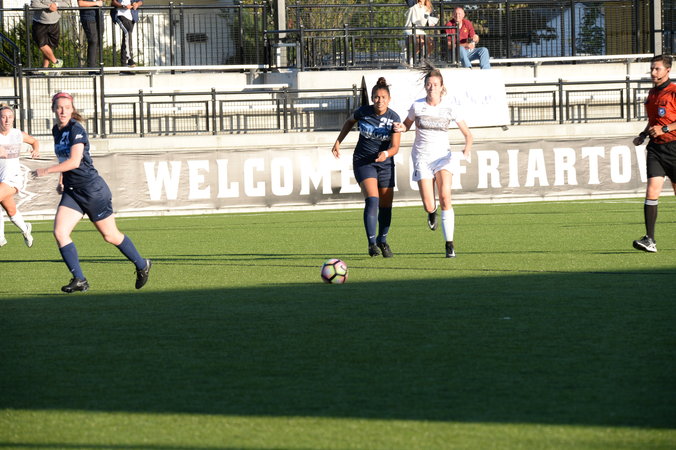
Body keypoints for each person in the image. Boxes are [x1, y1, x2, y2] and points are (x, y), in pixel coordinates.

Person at [32, 92, 152, 293]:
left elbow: (74, 161)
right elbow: (64, 159)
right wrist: (61, 180)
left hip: (91, 190)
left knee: (110, 236)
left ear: (72, 109)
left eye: (66, 107)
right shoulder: (56, 130)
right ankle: (79, 279)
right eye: (59, 107)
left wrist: (46, 171)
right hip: (72, 191)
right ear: (53, 109)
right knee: (60, 232)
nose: (62, 111)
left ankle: (142, 264)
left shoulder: (76, 129)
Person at [394, 64, 473, 258]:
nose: (431, 87)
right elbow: (406, 125)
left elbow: (468, 134)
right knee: (429, 204)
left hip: (443, 158)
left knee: (445, 196)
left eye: (435, 84)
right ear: (425, 86)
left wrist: (467, 148)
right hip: (422, 158)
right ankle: (431, 212)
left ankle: (449, 244)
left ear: (441, 87)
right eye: (429, 84)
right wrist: (400, 128)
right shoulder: (417, 106)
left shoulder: (450, 107)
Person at [332, 77, 401, 257]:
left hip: (385, 163)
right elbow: (349, 121)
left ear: (389, 99)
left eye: (383, 97)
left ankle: (382, 240)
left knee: (386, 206)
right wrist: (338, 141)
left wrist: (385, 154)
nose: (380, 101)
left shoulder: (394, 118)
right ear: (372, 98)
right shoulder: (363, 112)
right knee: (372, 200)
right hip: (363, 161)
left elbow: (395, 147)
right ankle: (372, 244)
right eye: (376, 97)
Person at [631, 54, 676, 253]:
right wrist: (643, 135)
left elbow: (664, 125)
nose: (653, 72)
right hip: (656, 148)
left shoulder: (674, 92)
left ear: (668, 70)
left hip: (674, 148)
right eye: (651, 68)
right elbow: (653, 121)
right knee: (651, 191)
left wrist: (664, 129)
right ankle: (650, 239)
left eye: (657, 68)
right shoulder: (652, 93)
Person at [0, 105, 39, 248]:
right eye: (3, 117)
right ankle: (26, 229)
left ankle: (0, 238)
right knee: (11, 211)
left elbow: (34, 141)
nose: (7, 120)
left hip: (14, 178)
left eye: (10, 117)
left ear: (13, 119)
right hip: (1, 179)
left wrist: (35, 150)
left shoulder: (17, 134)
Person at [31, 0, 69, 69]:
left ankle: (45, 69)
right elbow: (34, 4)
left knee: (49, 45)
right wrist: (49, 7)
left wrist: (56, 4)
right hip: (39, 22)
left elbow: (67, 4)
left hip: (54, 22)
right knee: (41, 45)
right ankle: (56, 62)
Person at [112, 0, 142, 67]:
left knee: (126, 39)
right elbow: (113, 2)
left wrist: (137, 4)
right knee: (127, 34)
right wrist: (123, 6)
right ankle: (129, 59)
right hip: (120, 15)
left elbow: (140, 1)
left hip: (132, 17)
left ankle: (124, 65)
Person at [78, 0, 104, 69]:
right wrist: (96, 3)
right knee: (93, 40)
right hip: (88, 17)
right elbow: (81, 3)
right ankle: (92, 69)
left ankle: (97, 67)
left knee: (99, 41)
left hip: (99, 16)